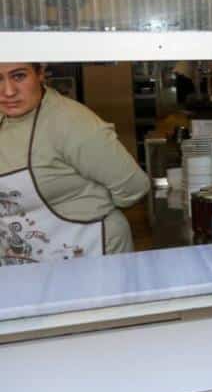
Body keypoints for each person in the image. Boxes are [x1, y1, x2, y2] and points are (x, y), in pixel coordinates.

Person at [0, 63, 149, 263]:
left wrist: (90, 206)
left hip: (90, 251)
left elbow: (134, 186)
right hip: (26, 260)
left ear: (40, 73)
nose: (8, 91)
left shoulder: (71, 122)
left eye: (19, 76)